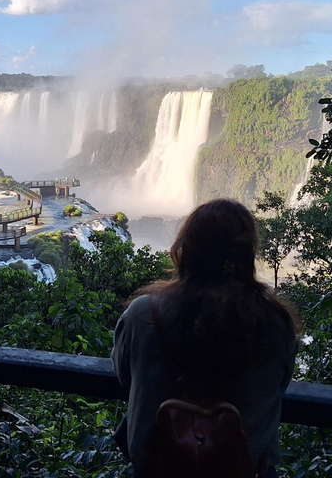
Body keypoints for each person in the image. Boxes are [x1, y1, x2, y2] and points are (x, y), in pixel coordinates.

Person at [111, 199, 300, 478]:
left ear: (185, 251)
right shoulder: (275, 322)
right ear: (247, 255)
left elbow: (124, 375)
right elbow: (279, 383)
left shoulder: (143, 315)